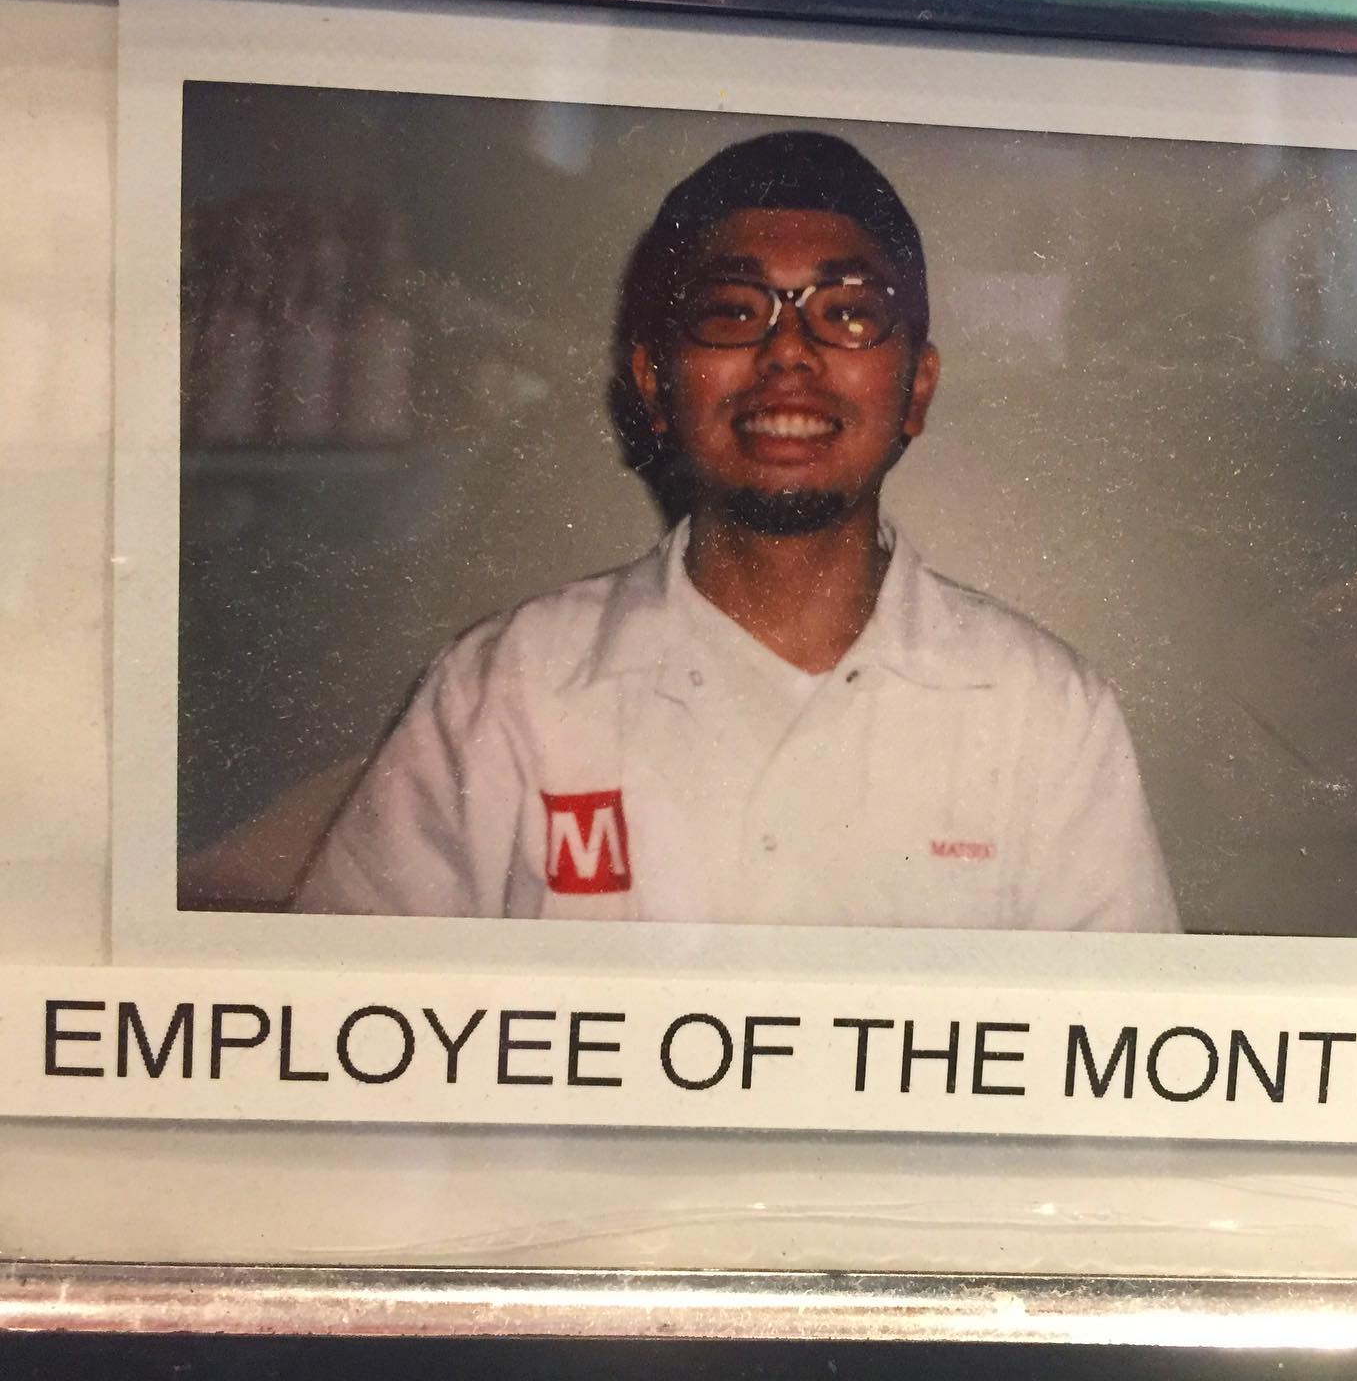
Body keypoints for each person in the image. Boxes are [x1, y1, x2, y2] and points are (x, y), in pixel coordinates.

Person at [294, 130, 1179, 931]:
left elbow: (1116, 1053)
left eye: (848, 313)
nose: (788, 353)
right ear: (655, 382)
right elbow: (344, 1025)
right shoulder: (507, 692)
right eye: (732, 311)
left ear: (916, 387)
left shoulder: (1043, 714)